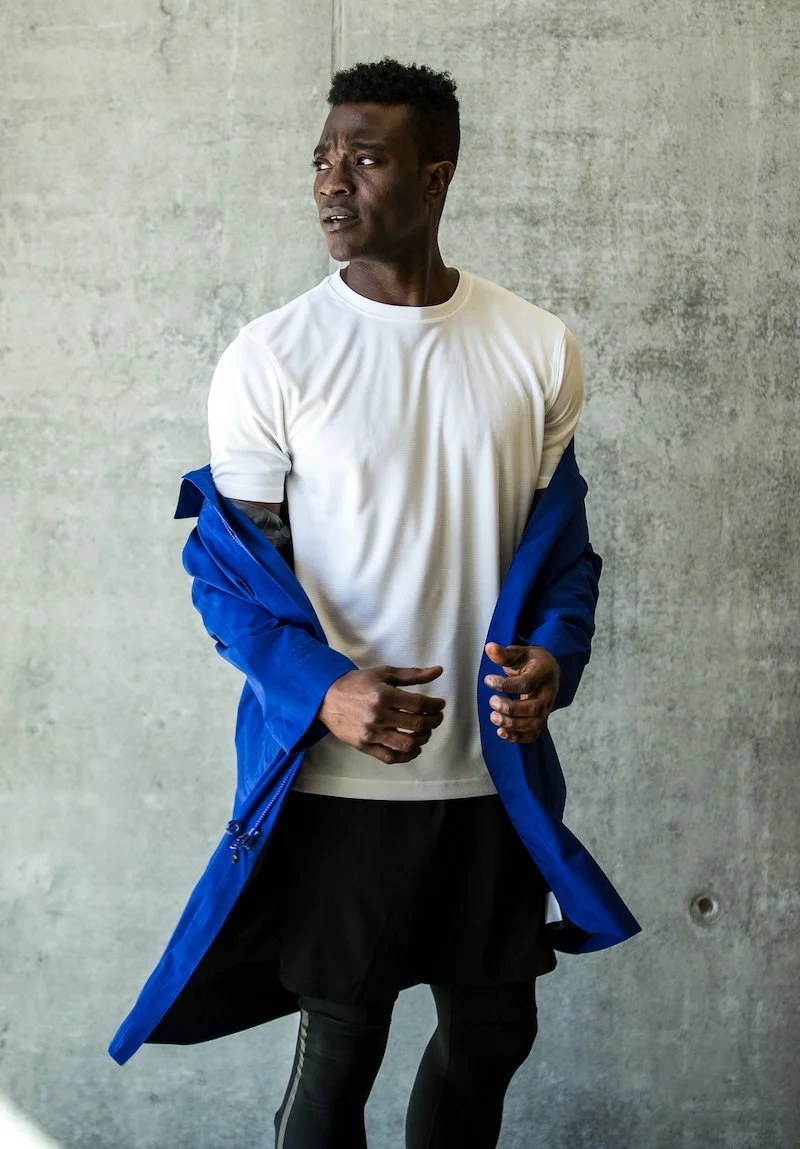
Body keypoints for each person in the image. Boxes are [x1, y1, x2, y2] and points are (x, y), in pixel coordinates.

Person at [108, 56, 640, 1148]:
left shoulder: (536, 348)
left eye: (365, 157)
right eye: (320, 158)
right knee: (340, 1048)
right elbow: (228, 584)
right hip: (342, 780)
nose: (330, 182)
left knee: (492, 1034)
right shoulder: (271, 358)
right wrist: (325, 691)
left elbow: (564, 559)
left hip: (490, 779)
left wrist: (553, 656)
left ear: (436, 176)